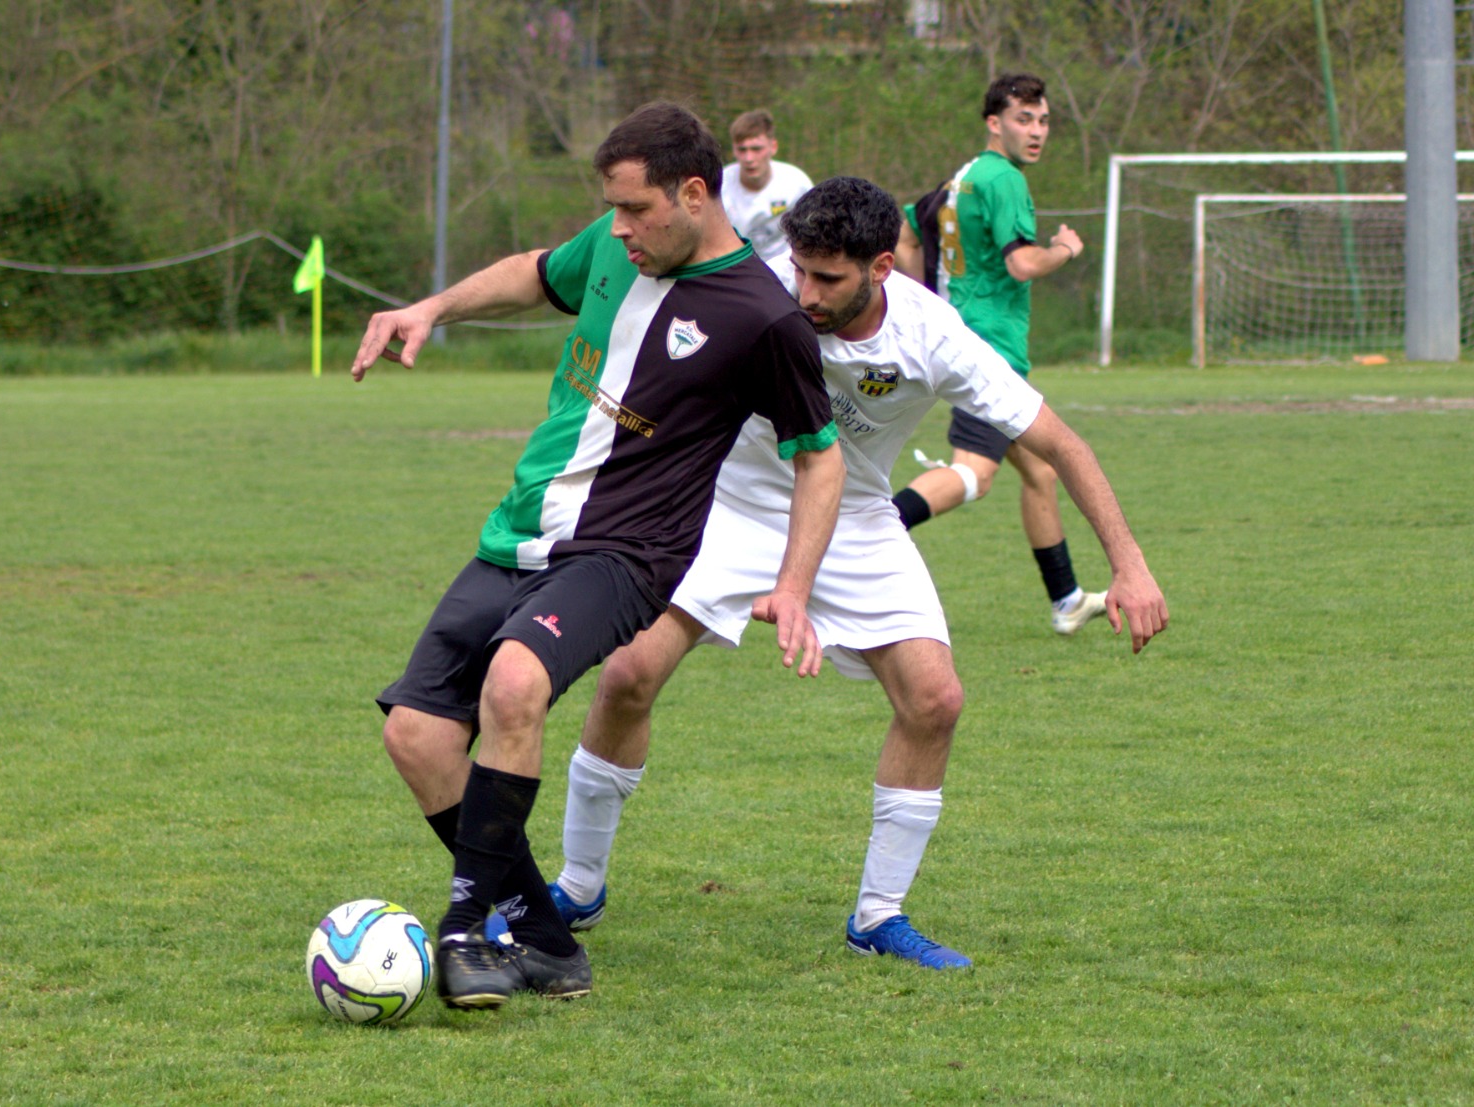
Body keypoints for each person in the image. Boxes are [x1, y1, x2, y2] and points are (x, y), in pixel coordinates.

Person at [547, 177, 1168, 971]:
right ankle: (578, 886)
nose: (806, 293)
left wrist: (1129, 564)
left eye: (828, 278)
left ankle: (878, 916)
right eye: (799, 270)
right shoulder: (758, 293)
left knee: (935, 698)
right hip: (727, 503)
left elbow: (1063, 444)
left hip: (856, 517)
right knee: (628, 673)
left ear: (880, 267)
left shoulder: (931, 334)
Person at [349, 101, 845, 1011]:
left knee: (513, 683)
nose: (619, 228)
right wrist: (432, 308)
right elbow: (536, 273)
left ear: (693, 195)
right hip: (519, 533)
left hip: (626, 553)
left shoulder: (764, 318)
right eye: (612, 209)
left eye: (635, 209)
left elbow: (820, 456)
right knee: (415, 734)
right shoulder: (620, 248)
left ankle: (464, 929)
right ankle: (546, 940)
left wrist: (793, 585)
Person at [891, 73, 1102, 636]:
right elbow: (1022, 263)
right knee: (974, 474)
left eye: (1043, 120)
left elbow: (906, 234)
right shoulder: (1005, 179)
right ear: (994, 123)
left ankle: (1067, 599)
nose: (1036, 131)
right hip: (990, 349)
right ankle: (865, 531)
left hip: (963, 336)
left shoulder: (960, 179)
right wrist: (1065, 248)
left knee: (1040, 471)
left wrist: (931, 301)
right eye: (1023, 119)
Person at [720, 108, 814, 262]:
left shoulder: (797, 183)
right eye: (742, 150)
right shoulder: (719, 186)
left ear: (773, 147)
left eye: (756, 149)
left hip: (786, 267)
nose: (749, 158)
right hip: (737, 265)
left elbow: (812, 234)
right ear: (734, 150)